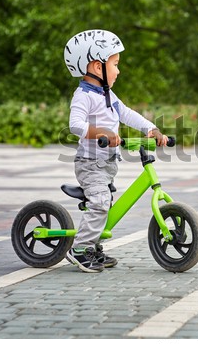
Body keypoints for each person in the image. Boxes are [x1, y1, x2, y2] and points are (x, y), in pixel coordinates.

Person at [64, 29, 168, 273]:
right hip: (90, 163)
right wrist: (102, 133)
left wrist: (151, 129)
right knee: (100, 203)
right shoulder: (83, 96)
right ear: (96, 66)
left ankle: (94, 247)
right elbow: (75, 125)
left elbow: (127, 113)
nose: (118, 70)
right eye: (115, 64)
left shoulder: (106, 94)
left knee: (105, 205)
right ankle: (80, 249)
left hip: (107, 163)